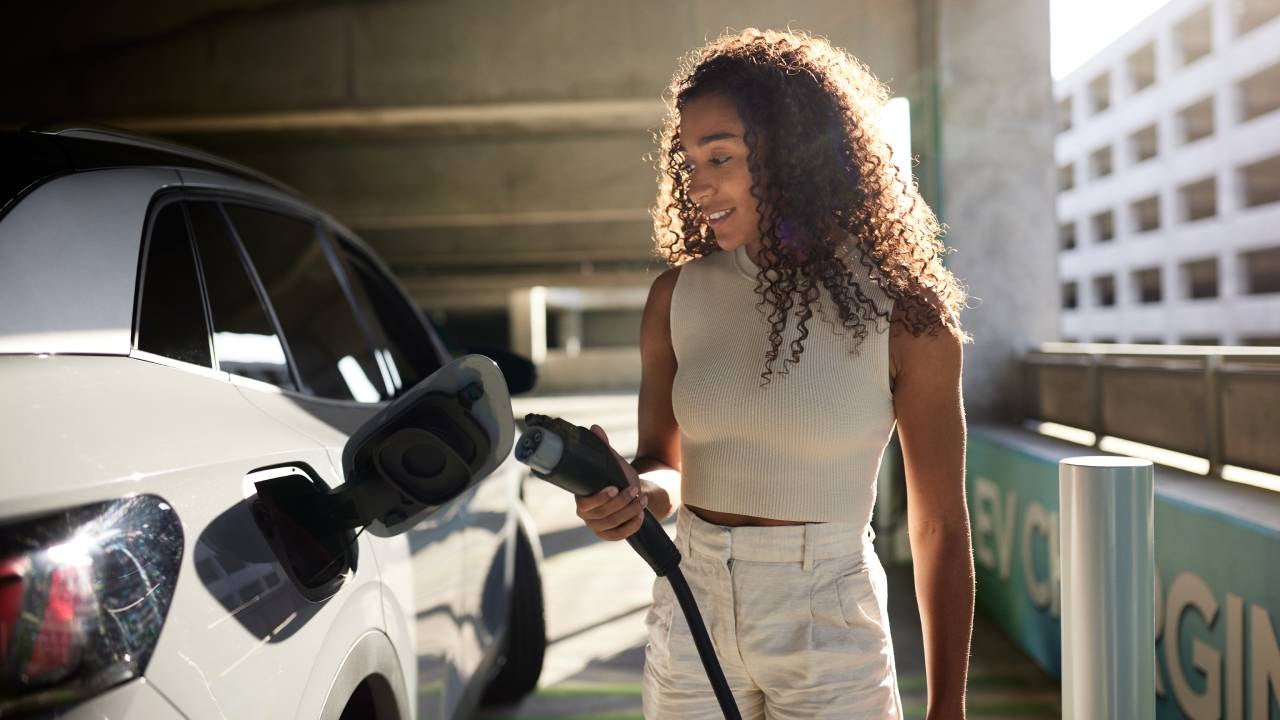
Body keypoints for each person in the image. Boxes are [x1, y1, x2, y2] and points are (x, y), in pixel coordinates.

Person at [576, 28, 975, 720]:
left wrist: (948, 709)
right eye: (689, 160)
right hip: (691, 603)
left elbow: (939, 525)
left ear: (792, 152)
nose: (697, 184)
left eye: (720, 156)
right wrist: (635, 494)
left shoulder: (907, 317)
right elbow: (666, 467)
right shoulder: (675, 298)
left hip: (828, 621)